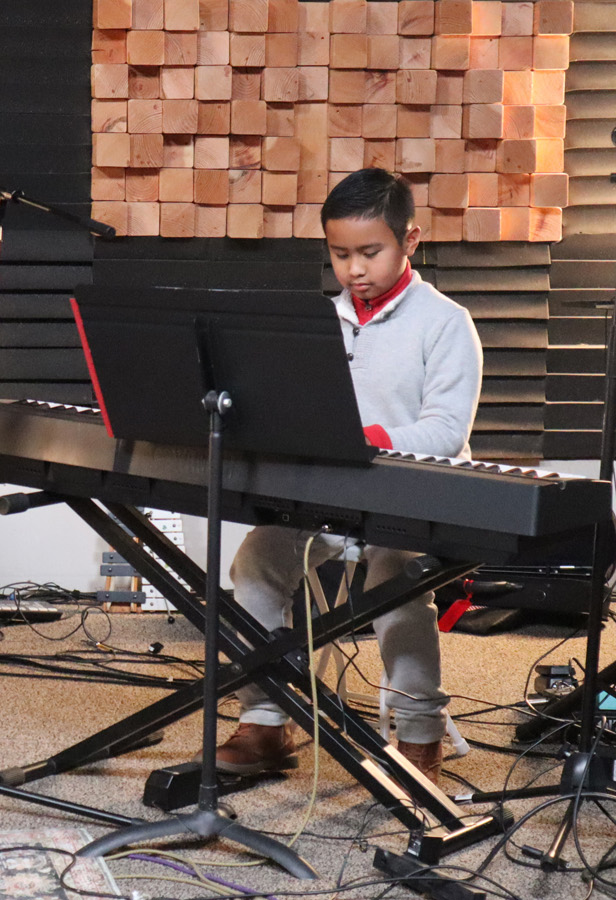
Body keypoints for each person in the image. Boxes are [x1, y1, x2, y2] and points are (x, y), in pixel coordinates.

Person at [211, 168, 482, 782]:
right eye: (339, 254)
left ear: (410, 241)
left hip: (412, 500)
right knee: (256, 561)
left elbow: (445, 433)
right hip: (327, 499)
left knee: (397, 581)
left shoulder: (445, 322)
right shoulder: (317, 323)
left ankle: (419, 736)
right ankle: (265, 720)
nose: (354, 269)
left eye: (370, 252)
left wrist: (363, 441)